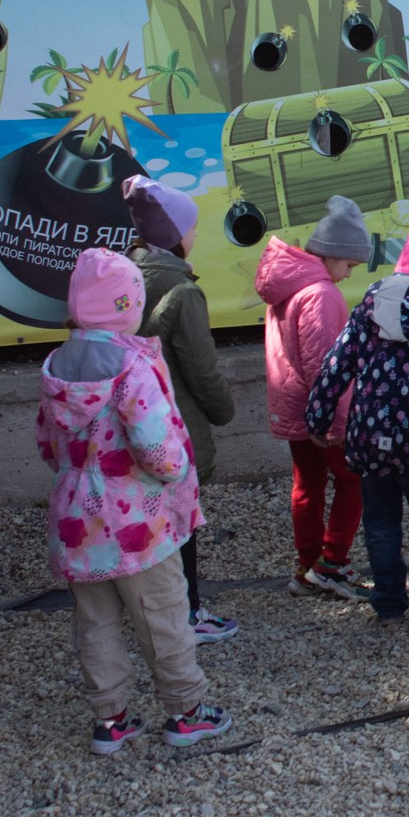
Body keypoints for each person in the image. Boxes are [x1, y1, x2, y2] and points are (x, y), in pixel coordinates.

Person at [37, 248, 230, 753]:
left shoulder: (57, 365)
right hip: (137, 525)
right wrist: (179, 469)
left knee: (95, 621)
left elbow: (46, 442)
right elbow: (156, 448)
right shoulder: (131, 366)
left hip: (77, 518)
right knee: (163, 613)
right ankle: (187, 711)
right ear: (128, 304)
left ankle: (111, 719)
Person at [303, 210, 409, 627]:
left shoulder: (369, 305)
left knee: (381, 522)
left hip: (368, 434)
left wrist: (318, 419)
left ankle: (388, 603)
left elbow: (336, 365)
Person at [122, 176, 239, 642]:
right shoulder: (182, 293)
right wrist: (223, 410)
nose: (195, 236)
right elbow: (201, 366)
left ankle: (147, 609)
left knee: (144, 517)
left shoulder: (124, 276)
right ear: (176, 235)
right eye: (191, 228)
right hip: (175, 423)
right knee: (180, 521)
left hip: (129, 422)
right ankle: (187, 610)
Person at [256, 195, 369, 600]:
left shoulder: (287, 285)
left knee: (307, 484)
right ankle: (331, 563)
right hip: (319, 412)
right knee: (352, 479)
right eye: (350, 265)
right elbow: (327, 368)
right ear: (333, 254)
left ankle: (307, 565)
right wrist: (337, 423)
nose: (349, 275)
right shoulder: (321, 294)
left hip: (289, 406)